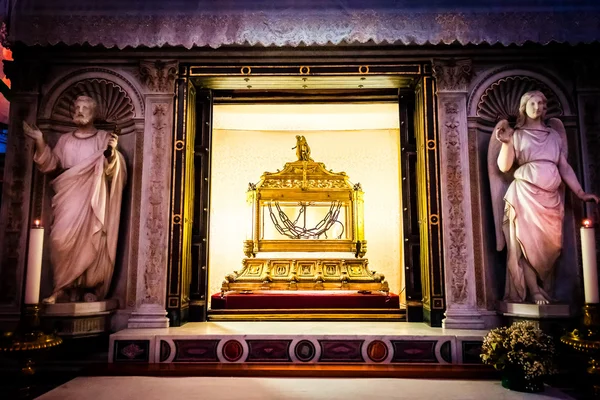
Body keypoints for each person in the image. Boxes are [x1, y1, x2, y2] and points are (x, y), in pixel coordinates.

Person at [490, 90, 599, 305]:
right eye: (533, 103)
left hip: (550, 198)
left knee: (553, 246)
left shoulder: (554, 135)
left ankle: (546, 289)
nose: (538, 107)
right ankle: (534, 291)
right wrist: (505, 142)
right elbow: (503, 167)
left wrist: (580, 192)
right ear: (524, 106)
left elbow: (564, 167)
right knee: (526, 245)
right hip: (525, 195)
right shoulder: (516, 135)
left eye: (541, 103)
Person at [23, 95, 127, 303]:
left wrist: (112, 154)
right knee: (59, 239)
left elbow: (113, 171)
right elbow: (51, 165)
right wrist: (40, 140)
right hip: (68, 194)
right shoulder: (65, 140)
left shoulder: (103, 138)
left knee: (93, 238)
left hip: (92, 197)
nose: (79, 110)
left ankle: (88, 287)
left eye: (85, 107)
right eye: (77, 107)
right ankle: (62, 288)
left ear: (94, 113)